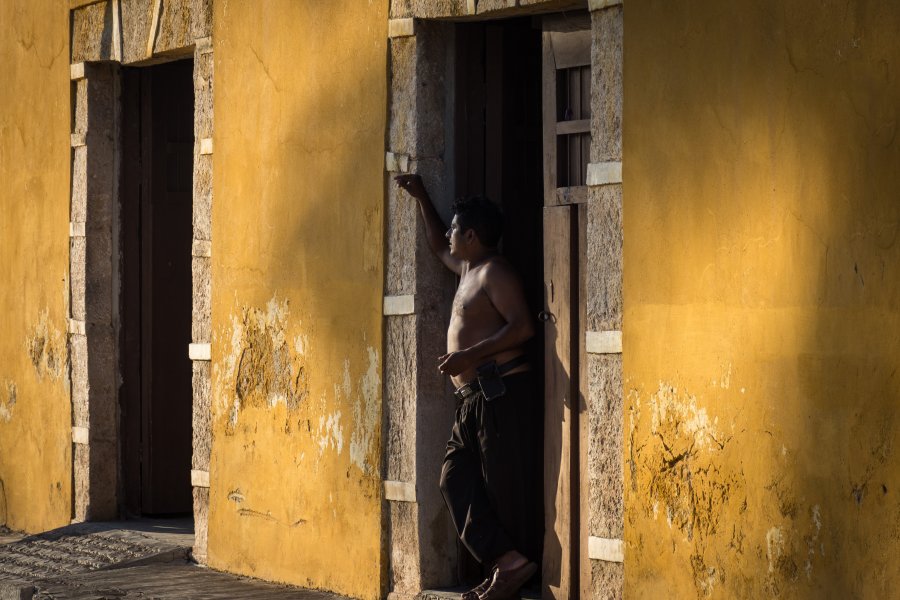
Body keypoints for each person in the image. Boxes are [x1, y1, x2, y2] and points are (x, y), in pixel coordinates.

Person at [395, 174, 543, 600]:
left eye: (457, 228)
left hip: (500, 393)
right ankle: (508, 561)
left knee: (501, 488)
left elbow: (523, 327)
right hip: (471, 400)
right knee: (453, 478)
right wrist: (422, 195)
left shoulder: (495, 273)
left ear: (473, 235)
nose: (449, 233)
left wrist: (470, 356)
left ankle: (512, 568)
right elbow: (437, 246)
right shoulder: (467, 267)